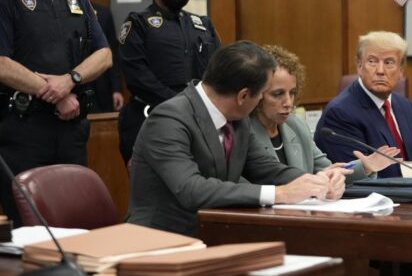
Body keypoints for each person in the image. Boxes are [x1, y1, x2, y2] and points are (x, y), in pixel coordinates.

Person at [126, 41, 346, 237]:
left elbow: (266, 168)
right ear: (243, 96)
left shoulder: (237, 119)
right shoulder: (169, 119)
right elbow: (191, 189)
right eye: (262, 93)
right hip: (161, 240)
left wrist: (317, 182)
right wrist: (280, 194)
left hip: (216, 232)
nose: (261, 99)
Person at [0, 0, 112, 224]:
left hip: (72, 129)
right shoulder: (5, 1)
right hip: (24, 130)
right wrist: (55, 93)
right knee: (31, 227)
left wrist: (70, 80)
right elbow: (2, 64)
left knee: (76, 220)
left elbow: (104, 55)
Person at [118, 0, 221, 166]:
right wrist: (180, 105)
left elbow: (219, 69)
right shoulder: (138, 23)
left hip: (198, 120)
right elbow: (137, 76)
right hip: (151, 116)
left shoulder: (201, 24)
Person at [250, 45, 398, 180]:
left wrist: (365, 166)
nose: (288, 102)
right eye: (278, 94)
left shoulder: (295, 126)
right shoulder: (244, 133)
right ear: (257, 93)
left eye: (293, 93)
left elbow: (328, 171)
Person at [314, 31, 412, 177]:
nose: (380, 71)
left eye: (389, 62)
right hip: (378, 197)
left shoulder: (405, 105)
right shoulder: (340, 113)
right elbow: (353, 179)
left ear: (401, 71)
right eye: (372, 61)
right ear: (359, 66)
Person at [67, 0, 124, 113]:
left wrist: (116, 89)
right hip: (72, 85)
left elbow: (113, 52)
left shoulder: (103, 13)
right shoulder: (61, 12)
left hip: (101, 86)